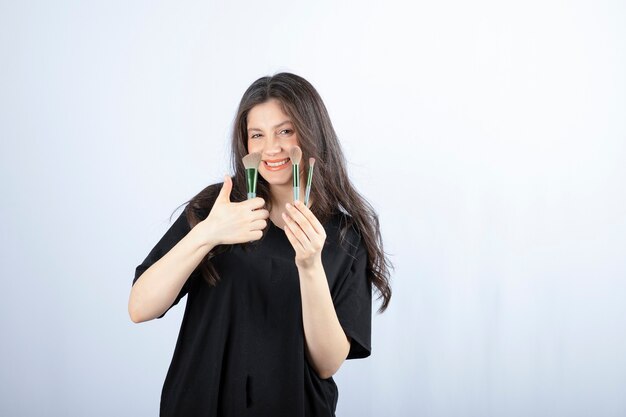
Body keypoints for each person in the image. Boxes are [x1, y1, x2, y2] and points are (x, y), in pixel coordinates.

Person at [128, 72, 392, 417]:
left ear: (312, 131)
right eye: (257, 135)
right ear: (245, 143)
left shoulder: (344, 236)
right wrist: (207, 234)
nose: (272, 148)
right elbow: (139, 307)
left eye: (285, 130)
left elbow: (327, 364)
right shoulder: (218, 209)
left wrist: (310, 264)